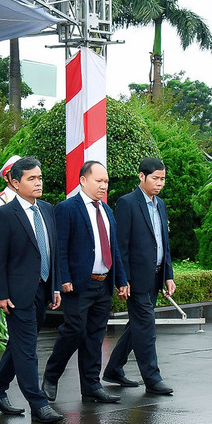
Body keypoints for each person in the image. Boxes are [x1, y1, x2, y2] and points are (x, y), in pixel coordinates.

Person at [0, 157, 64, 424]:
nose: (38, 182)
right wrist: (0, 294)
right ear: (15, 183)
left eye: (39, 177)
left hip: (42, 289)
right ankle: (38, 403)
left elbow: (53, 252)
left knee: (19, 343)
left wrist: (54, 286)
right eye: (32, 178)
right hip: (17, 293)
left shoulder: (47, 210)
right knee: (28, 347)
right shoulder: (5, 214)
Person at [42, 161, 129, 404]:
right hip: (78, 284)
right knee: (74, 331)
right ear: (83, 180)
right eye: (98, 181)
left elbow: (115, 249)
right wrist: (64, 278)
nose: (104, 186)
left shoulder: (106, 211)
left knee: (95, 335)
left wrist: (121, 279)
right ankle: (51, 376)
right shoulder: (67, 208)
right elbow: (60, 247)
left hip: (103, 284)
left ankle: (91, 385)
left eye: (106, 181)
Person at [103, 157, 175, 395]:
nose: (160, 183)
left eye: (163, 179)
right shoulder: (127, 203)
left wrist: (168, 274)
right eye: (155, 178)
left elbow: (163, 243)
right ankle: (152, 378)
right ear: (141, 177)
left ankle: (113, 368)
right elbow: (120, 245)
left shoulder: (161, 204)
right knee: (146, 327)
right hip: (136, 279)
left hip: (155, 276)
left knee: (138, 325)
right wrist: (122, 280)